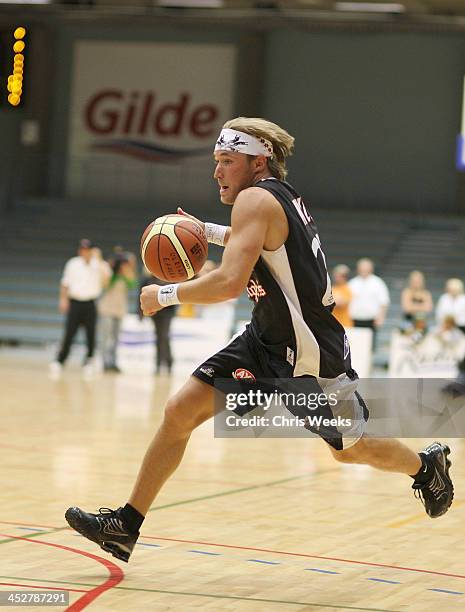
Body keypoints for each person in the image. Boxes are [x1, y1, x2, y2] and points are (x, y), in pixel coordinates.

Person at [65, 118, 454, 562]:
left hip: (307, 355)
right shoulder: (275, 197)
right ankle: (125, 526)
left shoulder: (253, 200)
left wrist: (164, 294)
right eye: (216, 162)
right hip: (264, 336)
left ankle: (426, 468)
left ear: (258, 160)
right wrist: (206, 232)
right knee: (179, 411)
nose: (217, 172)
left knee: (350, 449)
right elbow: (255, 242)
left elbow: (230, 281)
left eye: (227, 161)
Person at [50, 239, 111, 377]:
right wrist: (63, 299)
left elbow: (106, 282)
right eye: (82, 249)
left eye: (87, 249)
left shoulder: (100, 265)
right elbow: (65, 283)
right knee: (69, 332)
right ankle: (60, 360)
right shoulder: (73, 264)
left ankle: (89, 360)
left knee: (91, 334)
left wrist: (99, 259)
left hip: (90, 303)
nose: (85, 252)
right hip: (75, 302)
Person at [99, 248, 137, 372]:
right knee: (106, 337)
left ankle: (113, 362)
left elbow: (133, 284)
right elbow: (105, 284)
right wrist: (112, 269)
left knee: (115, 338)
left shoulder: (125, 276)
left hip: (119, 310)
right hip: (107, 309)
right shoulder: (111, 275)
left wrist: (128, 268)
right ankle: (105, 362)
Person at [139, 269, 177, 374]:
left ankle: (168, 362)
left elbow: (174, 293)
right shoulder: (147, 279)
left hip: (167, 313)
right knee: (158, 337)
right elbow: (141, 295)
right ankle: (159, 363)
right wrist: (141, 313)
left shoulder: (169, 278)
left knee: (164, 336)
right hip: (155, 313)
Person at [348, 258, 390, 346]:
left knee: (369, 346)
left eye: (366, 268)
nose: (364, 270)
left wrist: (381, 317)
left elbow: (384, 302)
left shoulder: (378, 283)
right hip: (354, 320)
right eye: (362, 268)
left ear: (371, 269)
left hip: (371, 320)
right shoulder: (352, 283)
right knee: (355, 345)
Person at [436, 279, 465, 396]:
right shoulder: (444, 299)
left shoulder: (463, 300)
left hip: (460, 333)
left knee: (462, 362)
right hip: (449, 332)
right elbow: (440, 316)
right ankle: (457, 384)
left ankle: (459, 384)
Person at [401, 270, 433, 335]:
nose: (416, 283)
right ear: (411, 282)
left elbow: (428, 308)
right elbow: (407, 308)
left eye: (418, 281)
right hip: (408, 321)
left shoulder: (426, 293)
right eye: (414, 281)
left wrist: (413, 306)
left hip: (423, 322)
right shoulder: (406, 292)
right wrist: (421, 306)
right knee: (406, 330)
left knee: (426, 330)